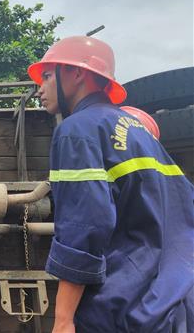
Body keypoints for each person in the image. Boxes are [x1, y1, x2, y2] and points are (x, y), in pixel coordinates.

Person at [27, 36, 194, 333]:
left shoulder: (78, 130)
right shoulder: (140, 133)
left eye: (49, 76)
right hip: (170, 305)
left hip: (121, 309)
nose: (40, 88)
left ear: (78, 74)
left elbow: (85, 226)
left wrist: (63, 319)